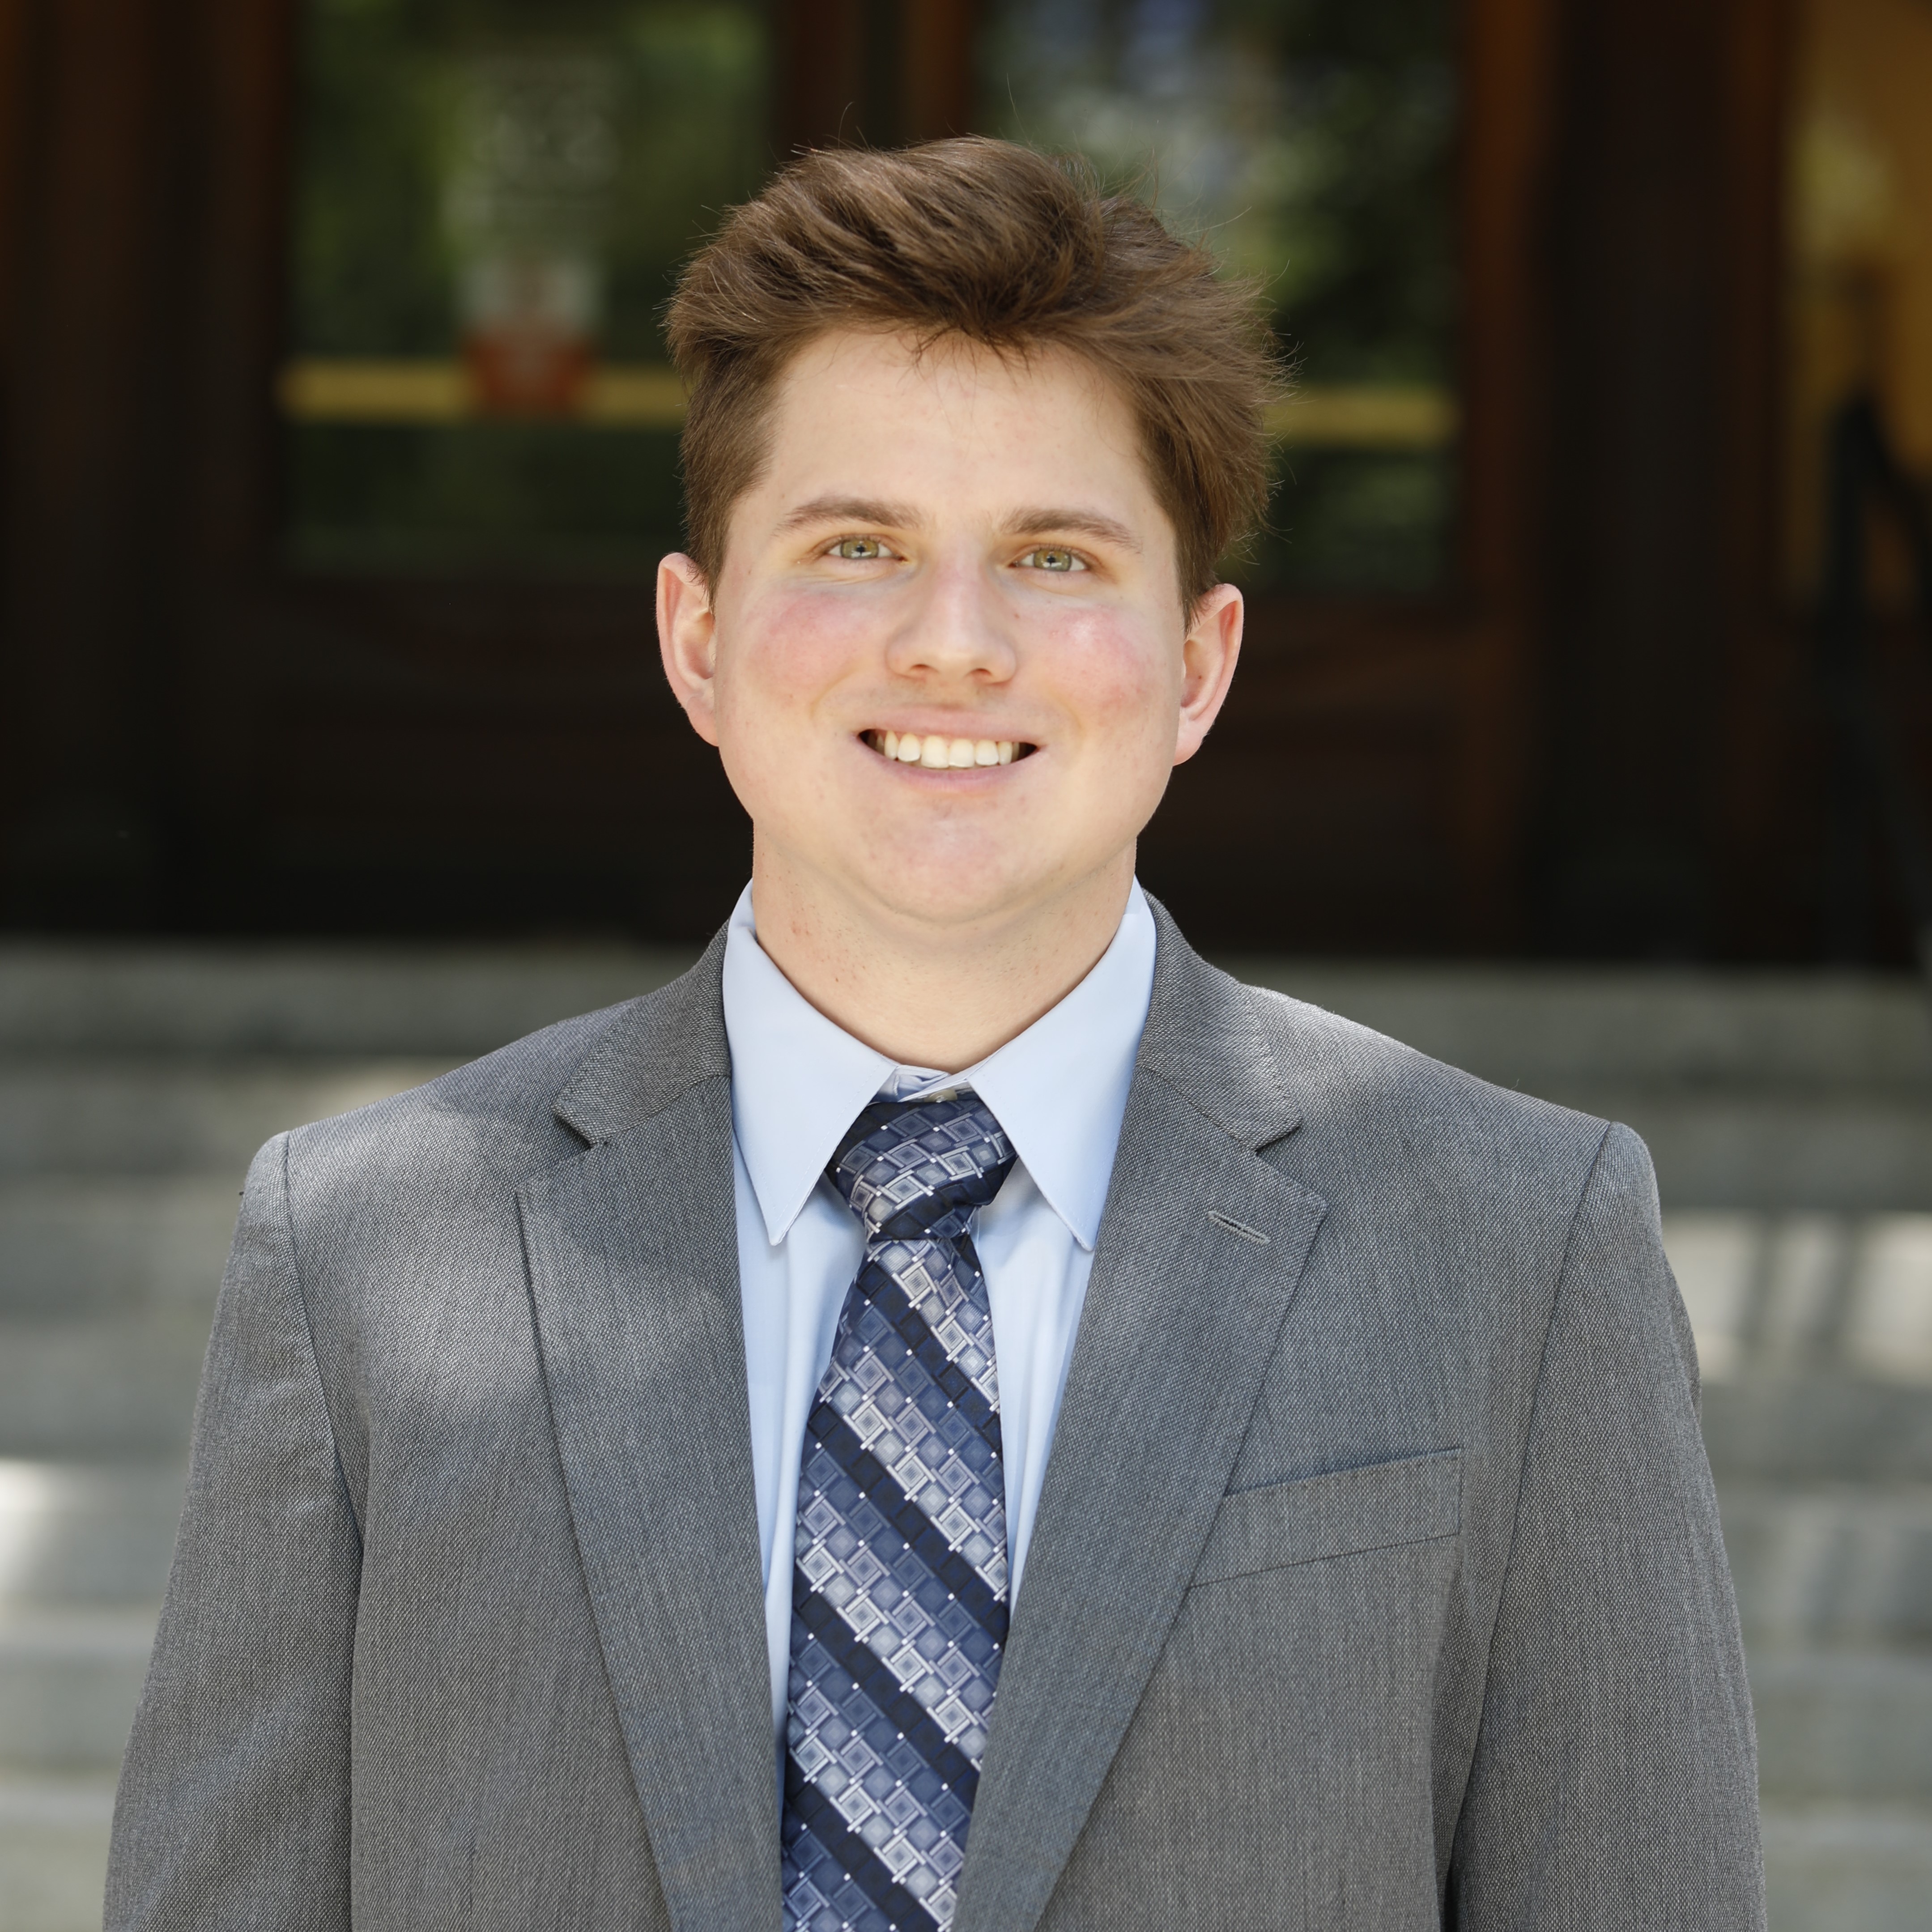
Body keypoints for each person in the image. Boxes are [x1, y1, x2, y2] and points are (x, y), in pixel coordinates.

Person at [105, 138, 1763, 1932]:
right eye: (858, 545)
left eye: (1053, 556)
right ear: (699, 640)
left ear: (1197, 667)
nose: (955, 644)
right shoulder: (362, 1254)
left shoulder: (1523, 1251)